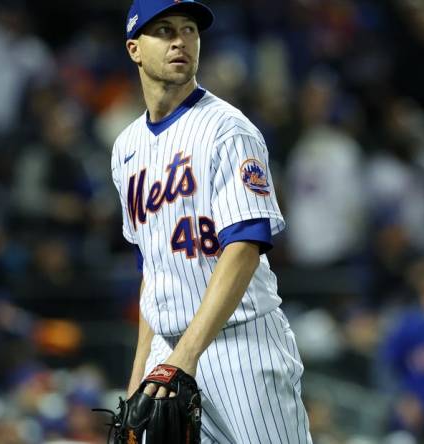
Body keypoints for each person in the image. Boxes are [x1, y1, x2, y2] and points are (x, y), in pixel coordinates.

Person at [109, 1, 312, 442]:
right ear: (134, 49)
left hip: (241, 344)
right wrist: (140, 372)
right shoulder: (125, 148)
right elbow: (154, 271)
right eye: (163, 30)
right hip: (169, 347)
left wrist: (184, 356)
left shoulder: (228, 130)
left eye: (189, 30)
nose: (180, 40)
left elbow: (243, 249)